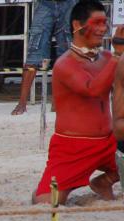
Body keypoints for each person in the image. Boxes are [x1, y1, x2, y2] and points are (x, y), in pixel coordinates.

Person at [33, 0, 123, 204]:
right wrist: (118, 56)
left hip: (108, 141)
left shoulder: (107, 58)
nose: (103, 29)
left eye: (105, 23)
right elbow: (93, 90)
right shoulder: (65, 64)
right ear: (77, 25)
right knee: (46, 202)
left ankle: (105, 180)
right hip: (73, 147)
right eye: (97, 23)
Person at [11, 0, 77, 115]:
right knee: (34, 53)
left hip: (69, 3)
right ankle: (22, 103)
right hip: (45, 3)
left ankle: (58, 102)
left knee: (68, 56)